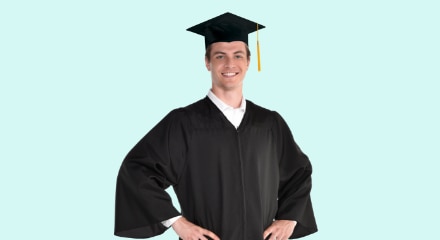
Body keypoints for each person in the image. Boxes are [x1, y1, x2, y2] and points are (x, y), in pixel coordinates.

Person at [114, 12, 317, 240]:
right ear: (207, 62)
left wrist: (289, 218)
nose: (230, 64)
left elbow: (299, 173)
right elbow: (137, 170)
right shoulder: (184, 122)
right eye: (220, 56)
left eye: (238, 55)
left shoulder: (269, 123)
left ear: (248, 62)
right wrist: (177, 222)